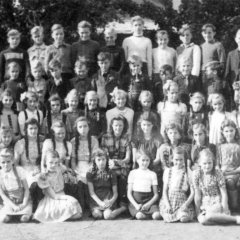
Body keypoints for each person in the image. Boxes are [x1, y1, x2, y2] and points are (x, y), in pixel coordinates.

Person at [193, 149, 240, 225]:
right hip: (205, 203)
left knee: (209, 216)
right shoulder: (197, 174)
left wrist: (225, 208)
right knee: (202, 220)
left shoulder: (217, 173)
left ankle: (235, 219)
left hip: (217, 201)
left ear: (213, 162)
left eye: (209, 163)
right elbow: (197, 195)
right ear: (200, 163)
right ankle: (224, 219)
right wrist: (197, 211)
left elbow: (223, 192)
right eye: (204, 163)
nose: (207, 166)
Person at [34, 150, 82, 223]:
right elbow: (54, 196)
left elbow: (66, 169)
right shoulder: (43, 177)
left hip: (62, 194)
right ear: (45, 162)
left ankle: (61, 217)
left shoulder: (59, 168)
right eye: (51, 162)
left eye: (56, 163)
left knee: (78, 213)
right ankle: (59, 217)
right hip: (52, 198)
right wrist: (69, 198)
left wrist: (69, 173)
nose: (53, 165)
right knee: (50, 212)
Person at [101, 115, 131, 209]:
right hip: (109, 164)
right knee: (109, 174)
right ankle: (110, 203)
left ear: (124, 126)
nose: (118, 128)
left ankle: (122, 203)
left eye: (120, 125)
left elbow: (128, 158)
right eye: (116, 125)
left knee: (123, 175)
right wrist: (111, 163)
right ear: (112, 126)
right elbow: (104, 155)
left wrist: (117, 162)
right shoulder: (105, 137)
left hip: (123, 165)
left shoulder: (127, 138)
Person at [87, 148, 126, 219]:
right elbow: (91, 193)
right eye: (98, 160)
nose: (101, 162)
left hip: (108, 199)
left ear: (106, 160)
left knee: (107, 216)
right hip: (97, 200)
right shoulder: (90, 173)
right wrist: (100, 203)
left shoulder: (111, 173)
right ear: (94, 161)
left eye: (103, 159)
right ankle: (97, 210)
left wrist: (111, 201)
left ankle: (122, 209)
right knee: (97, 215)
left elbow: (115, 193)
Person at [14, 118, 44, 210]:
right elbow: (15, 164)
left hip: (39, 169)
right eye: (30, 128)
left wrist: (40, 170)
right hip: (25, 170)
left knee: (41, 180)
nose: (33, 131)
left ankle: (40, 204)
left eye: (35, 128)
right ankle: (33, 204)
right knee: (33, 182)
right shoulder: (20, 143)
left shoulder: (42, 142)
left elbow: (45, 160)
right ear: (26, 130)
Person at [159, 147, 195, 222]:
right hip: (169, 201)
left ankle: (182, 215)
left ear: (184, 159)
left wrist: (185, 205)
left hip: (182, 202)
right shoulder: (168, 171)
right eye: (176, 160)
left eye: (181, 159)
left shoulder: (188, 172)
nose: (178, 162)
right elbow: (164, 191)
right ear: (172, 159)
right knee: (167, 216)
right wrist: (167, 205)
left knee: (183, 218)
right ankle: (170, 214)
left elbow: (193, 192)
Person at [71, 116, 99, 211]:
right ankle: (81, 205)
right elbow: (73, 159)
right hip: (79, 166)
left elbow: (95, 158)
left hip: (90, 165)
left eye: (85, 126)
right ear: (77, 128)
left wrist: (91, 169)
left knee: (89, 178)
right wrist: (75, 171)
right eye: (80, 127)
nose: (83, 129)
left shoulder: (94, 140)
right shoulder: (74, 141)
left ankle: (90, 204)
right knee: (79, 180)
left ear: (89, 127)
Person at [0, 148, 32, 223]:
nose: (6, 164)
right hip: (9, 202)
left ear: (13, 161)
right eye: (3, 162)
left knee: (25, 218)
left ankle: (24, 213)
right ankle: (10, 214)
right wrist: (13, 206)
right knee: (4, 219)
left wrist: (24, 203)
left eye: (8, 161)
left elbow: (26, 189)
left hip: (22, 200)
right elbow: (2, 194)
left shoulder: (19, 170)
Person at [127, 150, 161, 220]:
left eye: (147, 160)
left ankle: (149, 213)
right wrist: (136, 205)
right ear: (137, 160)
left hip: (148, 200)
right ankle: (142, 214)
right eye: (143, 160)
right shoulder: (133, 173)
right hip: (136, 202)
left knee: (156, 215)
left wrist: (148, 204)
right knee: (139, 216)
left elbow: (156, 195)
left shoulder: (152, 174)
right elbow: (129, 194)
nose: (145, 163)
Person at [216, 119, 240, 211]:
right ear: (222, 132)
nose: (229, 133)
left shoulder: (238, 145)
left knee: (230, 181)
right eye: (226, 131)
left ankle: (234, 204)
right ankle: (222, 204)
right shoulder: (220, 146)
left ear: (235, 131)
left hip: (236, 172)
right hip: (222, 173)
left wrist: (233, 171)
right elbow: (217, 163)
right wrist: (219, 170)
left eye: (231, 131)